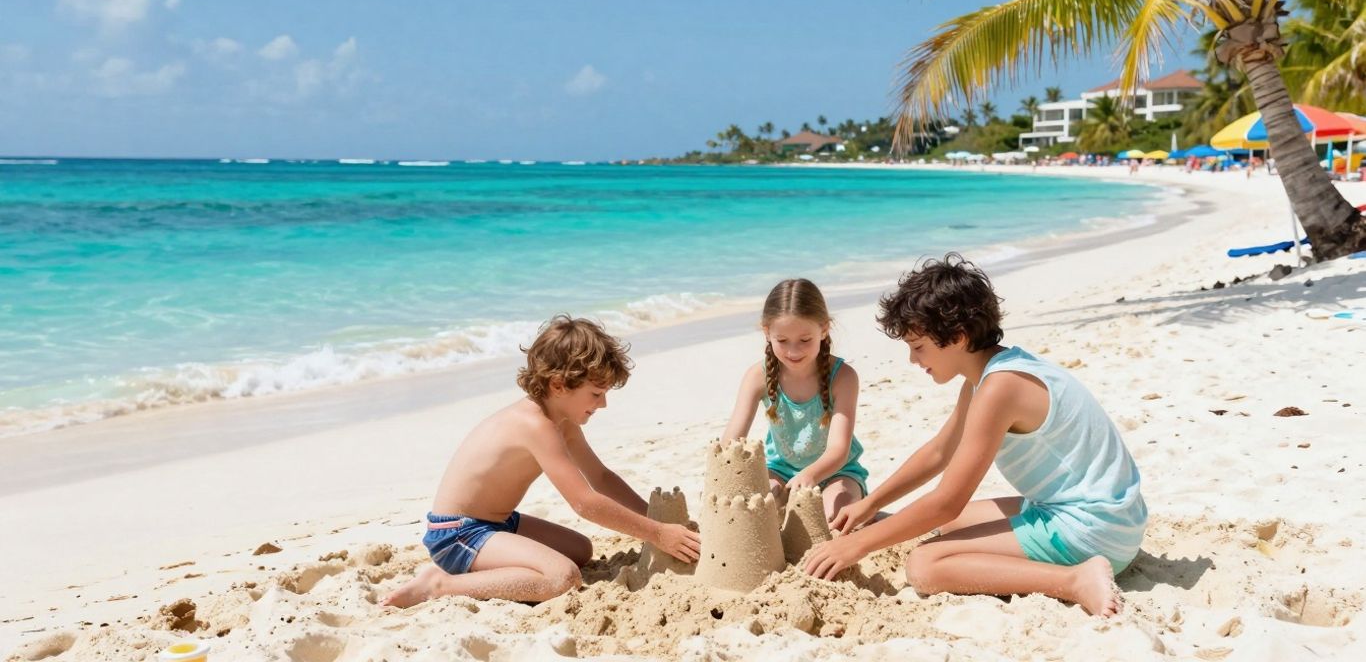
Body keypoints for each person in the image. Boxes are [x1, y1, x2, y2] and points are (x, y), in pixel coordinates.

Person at [803, 255, 1146, 618]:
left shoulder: (1000, 388)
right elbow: (939, 452)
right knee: (948, 527)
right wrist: (871, 505)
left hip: (1091, 531)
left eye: (918, 347)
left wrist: (856, 546)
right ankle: (1074, 566)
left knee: (925, 565)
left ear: (958, 337)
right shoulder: (992, 373)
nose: (913, 360)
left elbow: (946, 500)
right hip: (1109, 516)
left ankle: (1075, 580)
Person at [383, 316, 700, 608]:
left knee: (580, 550)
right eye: (595, 394)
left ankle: (502, 564)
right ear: (559, 385)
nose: (603, 403)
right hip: (457, 535)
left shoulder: (562, 421)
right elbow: (584, 503)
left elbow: (600, 477)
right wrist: (657, 533)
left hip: (499, 523)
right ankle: (440, 585)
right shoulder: (536, 426)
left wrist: (654, 517)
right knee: (563, 578)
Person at [720, 278, 867, 520]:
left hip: (837, 472)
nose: (794, 351)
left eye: (805, 340)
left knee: (833, 517)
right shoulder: (758, 376)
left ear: (824, 329)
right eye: (783, 341)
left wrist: (809, 476)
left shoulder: (843, 377)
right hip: (780, 472)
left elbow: (839, 450)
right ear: (767, 333)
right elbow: (732, 441)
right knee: (757, 512)